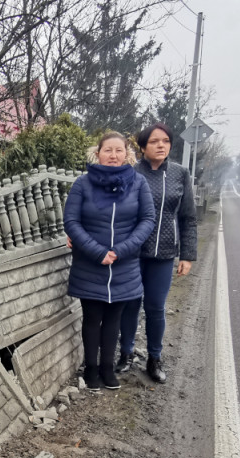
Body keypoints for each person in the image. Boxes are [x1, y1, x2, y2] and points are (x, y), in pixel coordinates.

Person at [64, 131, 156, 392]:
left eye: (119, 150)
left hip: (124, 265)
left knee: (114, 318)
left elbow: (147, 220)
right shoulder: (82, 183)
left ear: (127, 154)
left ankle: (108, 367)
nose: (113, 155)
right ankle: (91, 368)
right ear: (98, 153)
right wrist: (97, 252)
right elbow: (71, 221)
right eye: (108, 150)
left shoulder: (138, 183)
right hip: (89, 264)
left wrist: (120, 251)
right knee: (92, 318)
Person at [116, 123, 199, 383]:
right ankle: (126, 354)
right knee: (129, 304)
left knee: (155, 307)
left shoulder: (180, 174)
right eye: (154, 141)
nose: (161, 145)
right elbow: (112, 213)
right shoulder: (129, 173)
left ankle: (154, 358)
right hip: (132, 253)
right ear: (142, 147)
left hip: (163, 253)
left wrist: (187, 255)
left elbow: (188, 218)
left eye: (165, 141)